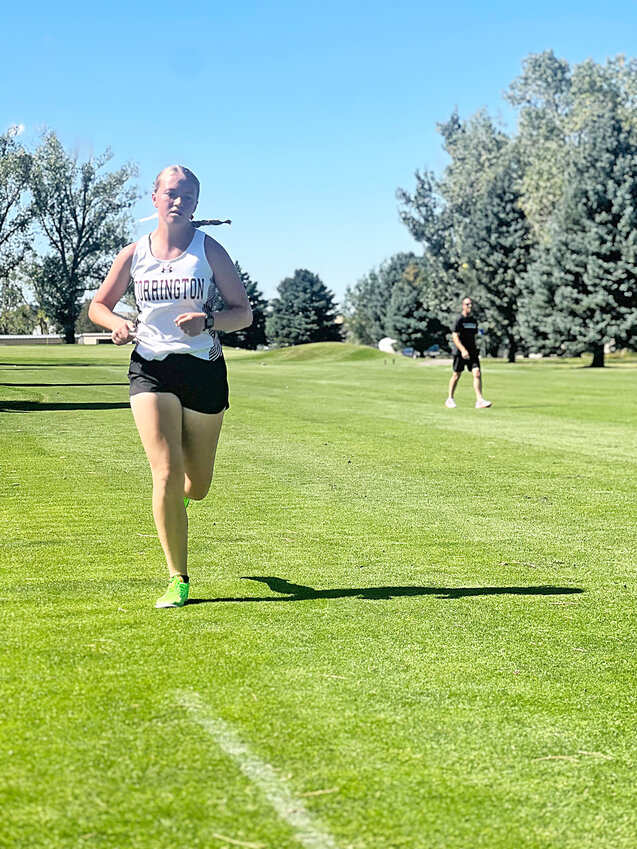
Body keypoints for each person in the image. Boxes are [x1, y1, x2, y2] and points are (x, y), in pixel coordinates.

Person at [89, 165, 252, 608]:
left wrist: (210, 321)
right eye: (171, 193)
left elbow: (244, 313)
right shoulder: (134, 254)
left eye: (188, 196)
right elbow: (98, 306)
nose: (179, 201)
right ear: (155, 198)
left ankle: (176, 501)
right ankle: (177, 578)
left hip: (202, 369)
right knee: (163, 472)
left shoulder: (209, 251)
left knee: (195, 486)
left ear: (196, 203)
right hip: (151, 369)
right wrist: (117, 323)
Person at [445, 297, 491, 409]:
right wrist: (462, 350)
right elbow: (455, 337)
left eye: (471, 304)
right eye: (467, 304)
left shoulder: (473, 321)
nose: (469, 307)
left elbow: (473, 336)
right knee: (456, 374)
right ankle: (450, 399)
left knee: (477, 373)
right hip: (460, 352)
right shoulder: (459, 320)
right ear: (463, 306)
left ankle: (479, 400)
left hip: (472, 352)